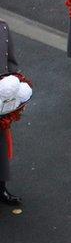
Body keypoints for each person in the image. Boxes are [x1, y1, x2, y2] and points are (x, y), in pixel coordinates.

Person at [0, 20, 22, 205]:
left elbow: (10, 62)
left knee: (1, 147)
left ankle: (1, 188)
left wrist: (17, 87)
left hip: (2, 98)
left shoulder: (3, 27)